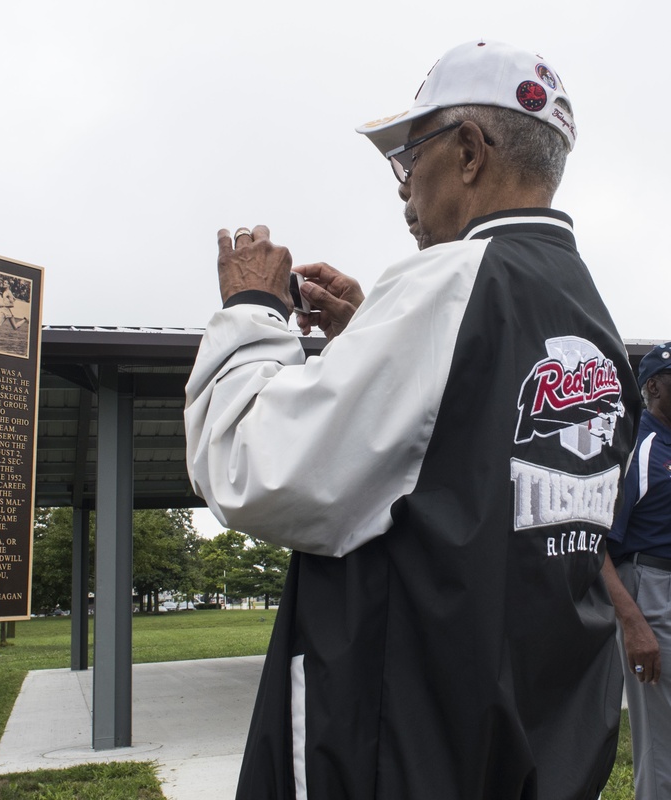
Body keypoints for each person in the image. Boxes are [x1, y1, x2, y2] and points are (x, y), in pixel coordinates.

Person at [184, 40, 640, 799]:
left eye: (410, 155)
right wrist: (368, 336)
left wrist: (252, 312)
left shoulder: (444, 286)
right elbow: (489, 474)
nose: (403, 189)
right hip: (537, 754)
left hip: (410, 753)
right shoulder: (588, 315)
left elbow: (249, 466)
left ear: (467, 153)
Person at [602, 341, 671, 799]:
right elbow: (596, 547)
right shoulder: (638, 447)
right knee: (661, 746)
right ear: (653, 386)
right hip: (650, 589)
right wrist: (633, 624)